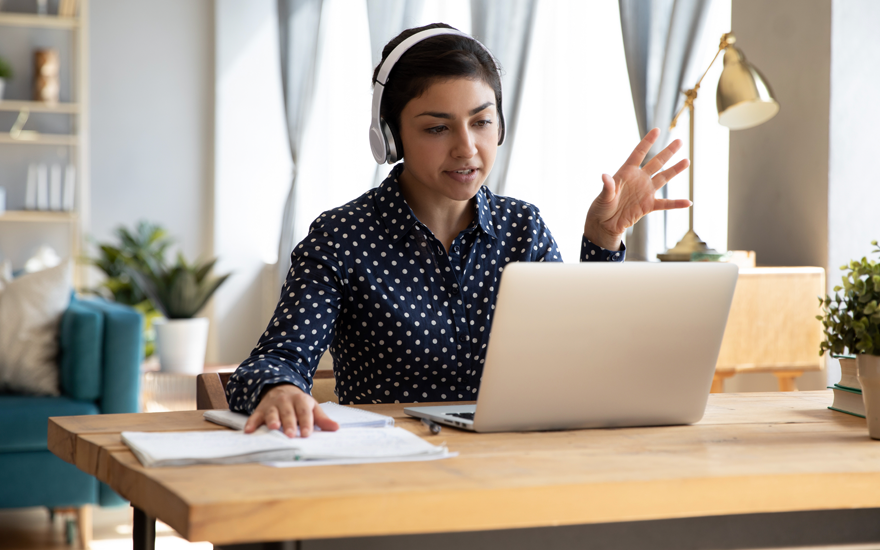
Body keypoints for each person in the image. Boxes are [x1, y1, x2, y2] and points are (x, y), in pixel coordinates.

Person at [226, 23, 690, 438]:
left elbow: (586, 358)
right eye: (436, 129)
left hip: (514, 468)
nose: (467, 148)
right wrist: (280, 389)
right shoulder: (342, 236)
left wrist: (603, 241)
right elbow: (272, 361)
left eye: (482, 121)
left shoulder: (521, 228)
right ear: (390, 137)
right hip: (390, 474)